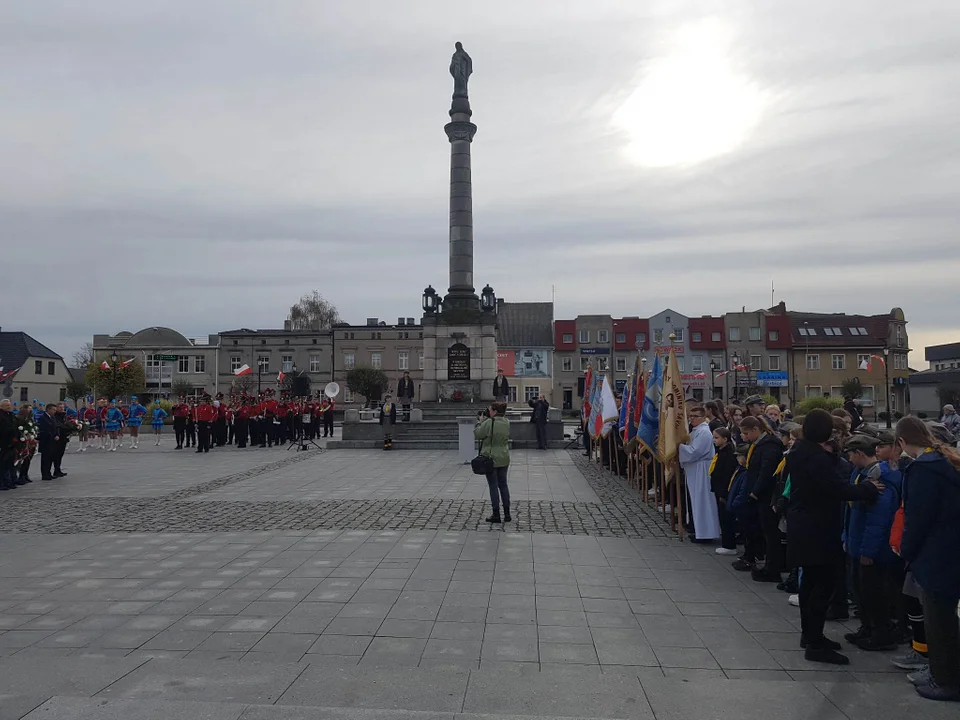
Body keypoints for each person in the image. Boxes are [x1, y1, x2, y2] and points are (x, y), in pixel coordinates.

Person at [786, 409, 881, 665]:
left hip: (803, 525)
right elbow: (836, 489)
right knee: (821, 587)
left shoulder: (799, 451)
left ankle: (810, 635)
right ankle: (815, 644)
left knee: (810, 586)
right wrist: (867, 488)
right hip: (817, 529)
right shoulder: (817, 458)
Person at [896, 416, 960, 701]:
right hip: (949, 549)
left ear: (901, 442)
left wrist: (906, 551)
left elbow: (917, 518)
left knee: (939, 621)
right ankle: (940, 671)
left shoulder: (922, 469)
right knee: (943, 618)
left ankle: (946, 680)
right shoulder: (945, 462)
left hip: (934, 554)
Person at [842, 434, 903, 652]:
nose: (848, 459)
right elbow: (851, 512)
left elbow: (879, 519)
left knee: (873, 592)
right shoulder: (861, 474)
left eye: (850, 454)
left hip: (873, 548)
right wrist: (847, 538)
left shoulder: (880, 478)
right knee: (860, 589)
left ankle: (881, 633)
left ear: (859, 453)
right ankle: (867, 628)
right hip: (858, 541)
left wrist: (868, 550)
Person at [739, 416, 784, 580]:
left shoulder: (769, 446)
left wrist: (755, 491)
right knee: (764, 530)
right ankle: (766, 565)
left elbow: (766, 471)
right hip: (758, 494)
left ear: (756, 430)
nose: (745, 436)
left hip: (766, 495)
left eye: (746, 433)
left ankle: (772, 569)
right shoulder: (758, 444)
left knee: (771, 533)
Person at [679, 404, 720, 542]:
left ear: (703, 417)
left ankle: (706, 533)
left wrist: (678, 447)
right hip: (695, 469)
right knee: (696, 501)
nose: (692, 419)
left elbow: (695, 451)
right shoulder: (695, 431)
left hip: (702, 470)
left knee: (703, 501)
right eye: (690, 416)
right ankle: (699, 530)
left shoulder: (704, 432)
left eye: (695, 416)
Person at [475, 402, 511, 523]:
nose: (488, 411)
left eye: (490, 410)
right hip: (504, 456)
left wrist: (480, 421)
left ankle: (496, 514)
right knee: (503, 485)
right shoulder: (506, 422)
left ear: (494, 411)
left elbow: (478, 434)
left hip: (491, 458)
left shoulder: (489, 422)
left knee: (493, 485)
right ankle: (507, 513)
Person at [710, 427, 738, 554]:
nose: (714, 440)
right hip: (718, 488)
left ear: (725, 439)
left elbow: (727, 475)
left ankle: (729, 545)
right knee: (722, 516)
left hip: (724, 490)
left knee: (726, 517)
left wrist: (723, 493)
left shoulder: (729, 454)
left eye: (716, 438)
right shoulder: (720, 451)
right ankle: (726, 542)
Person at [36, 402, 61, 481]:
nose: (54, 411)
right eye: (53, 410)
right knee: (45, 459)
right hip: (46, 441)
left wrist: (57, 434)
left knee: (50, 458)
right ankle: (45, 474)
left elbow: (56, 427)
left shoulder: (53, 417)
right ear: (48, 409)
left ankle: (49, 473)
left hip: (53, 441)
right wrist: (52, 435)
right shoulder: (43, 418)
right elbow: (44, 429)